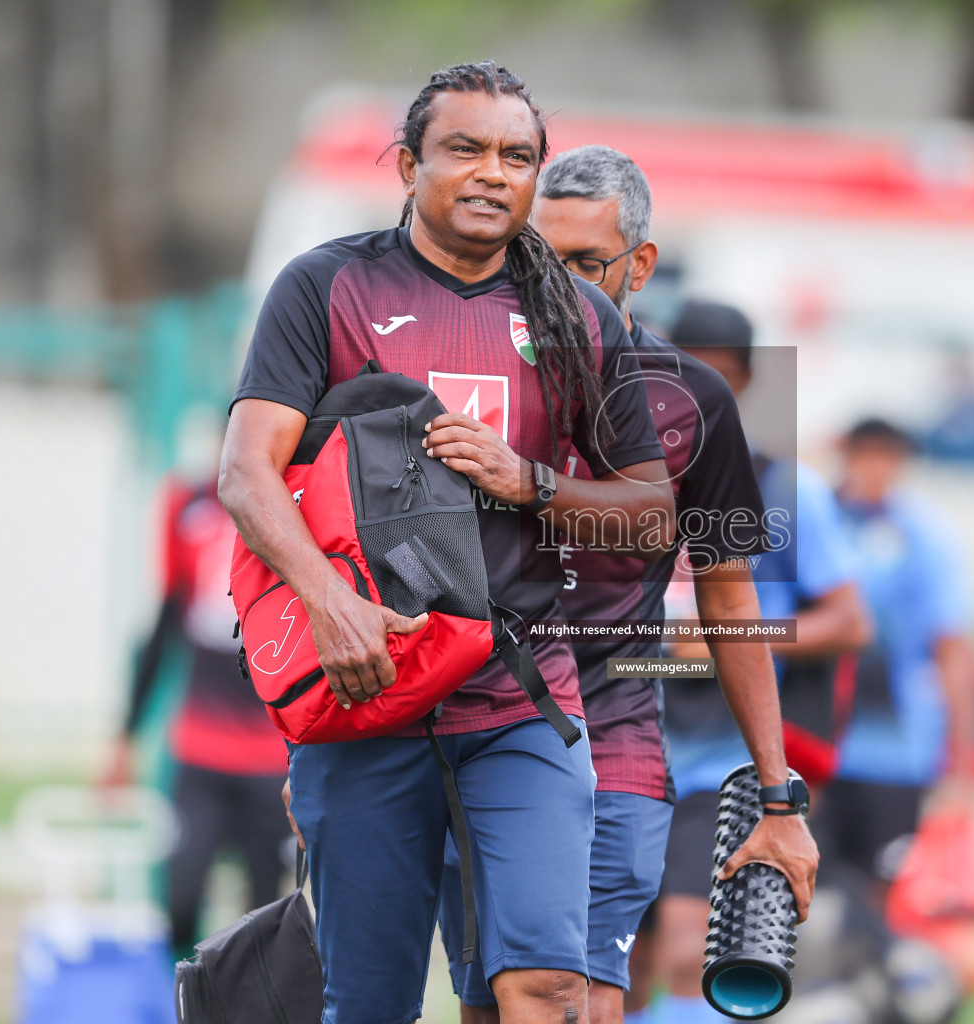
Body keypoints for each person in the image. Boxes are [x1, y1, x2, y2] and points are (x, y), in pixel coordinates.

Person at [218, 62, 676, 1024]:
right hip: (367, 687)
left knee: (546, 984)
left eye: (517, 156)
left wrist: (531, 482)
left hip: (519, 698)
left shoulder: (578, 317)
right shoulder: (327, 286)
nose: (491, 173)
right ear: (407, 164)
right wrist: (327, 600)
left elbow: (652, 511)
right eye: (463, 149)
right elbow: (247, 471)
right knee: (373, 1004)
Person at [437, 144, 819, 1024]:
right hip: (472, 733)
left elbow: (730, 595)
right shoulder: (470, 380)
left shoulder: (695, 400)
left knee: (582, 1002)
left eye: (584, 264)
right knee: (493, 1005)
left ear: (640, 266)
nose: (556, 286)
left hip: (615, 739)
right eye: (538, 257)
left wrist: (776, 792)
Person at [655, 299, 871, 1024]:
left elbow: (849, 620)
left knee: (692, 947)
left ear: (744, 382)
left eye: (715, 380)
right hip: (622, 739)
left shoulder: (783, 487)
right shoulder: (618, 476)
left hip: (720, 757)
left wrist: (734, 631)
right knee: (608, 960)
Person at [104, 476, 291, 957]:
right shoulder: (188, 508)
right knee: (181, 899)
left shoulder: (297, 506)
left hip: (271, 757)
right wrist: (125, 738)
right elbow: (165, 623)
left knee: (265, 915)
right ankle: (181, 998)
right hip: (200, 750)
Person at [824, 418, 974, 894]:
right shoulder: (816, 522)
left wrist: (964, 764)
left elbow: (952, 647)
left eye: (887, 455)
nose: (875, 467)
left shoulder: (926, 537)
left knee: (887, 885)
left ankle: (876, 967)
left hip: (895, 748)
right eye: (864, 453)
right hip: (814, 742)